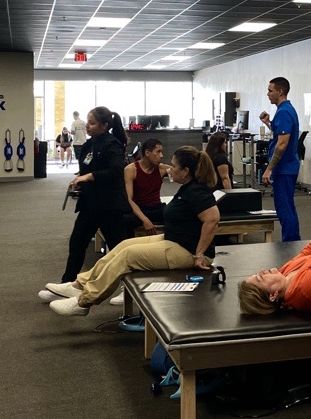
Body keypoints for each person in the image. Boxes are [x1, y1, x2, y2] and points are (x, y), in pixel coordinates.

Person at [40, 146, 220, 315]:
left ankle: (84, 302)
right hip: (174, 241)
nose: (170, 169)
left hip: (187, 251)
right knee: (123, 245)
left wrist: (199, 255)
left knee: (129, 256)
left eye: (174, 166)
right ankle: (78, 284)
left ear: (186, 172)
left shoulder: (197, 192)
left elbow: (212, 220)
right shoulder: (187, 188)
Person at [58, 108, 128, 283]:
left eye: (92, 123)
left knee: (118, 249)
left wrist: (90, 176)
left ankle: (127, 288)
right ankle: (67, 284)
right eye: (88, 122)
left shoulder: (113, 144)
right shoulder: (89, 145)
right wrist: (81, 180)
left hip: (109, 206)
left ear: (104, 126)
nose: (87, 126)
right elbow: (87, 168)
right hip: (90, 204)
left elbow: (116, 171)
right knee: (77, 243)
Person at [107, 138, 171, 307]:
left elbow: (186, 174)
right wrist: (145, 220)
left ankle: (170, 257)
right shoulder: (131, 169)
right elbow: (129, 199)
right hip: (137, 208)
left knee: (175, 215)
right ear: (147, 153)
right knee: (125, 221)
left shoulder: (163, 169)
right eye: (158, 152)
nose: (161, 155)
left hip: (156, 207)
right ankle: (126, 279)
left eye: (161, 152)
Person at [259, 77, 300, 241]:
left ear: (280, 91)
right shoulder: (284, 110)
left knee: (285, 208)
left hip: (284, 169)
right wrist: (268, 123)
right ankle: (293, 241)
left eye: (270, 90)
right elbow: (279, 135)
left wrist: (269, 168)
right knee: (286, 207)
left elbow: (282, 144)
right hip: (286, 168)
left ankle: (291, 243)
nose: (268, 94)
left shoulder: (284, 111)